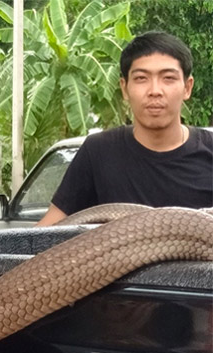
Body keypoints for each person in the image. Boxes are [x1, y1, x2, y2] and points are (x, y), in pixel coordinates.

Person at [37, 31, 213, 226]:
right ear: (124, 88)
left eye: (168, 78)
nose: (155, 91)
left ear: (187, 88)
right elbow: (46, 233)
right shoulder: (98, 152)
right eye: (141, 78)